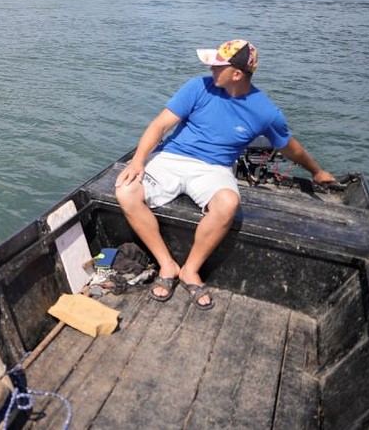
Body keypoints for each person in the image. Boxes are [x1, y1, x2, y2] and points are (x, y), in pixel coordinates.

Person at [113, 39, 336, 310]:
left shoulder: (265, 111)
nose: (211, 69)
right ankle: (167, 264)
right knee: (126, 191)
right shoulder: (198, 87)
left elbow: (291, 148)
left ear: (237, 74)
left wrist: (317, 171)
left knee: (228, 203)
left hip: (214, 168)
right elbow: (160, 125)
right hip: (171, 158)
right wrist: (138, 161)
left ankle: (190, 270)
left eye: (218, 66)